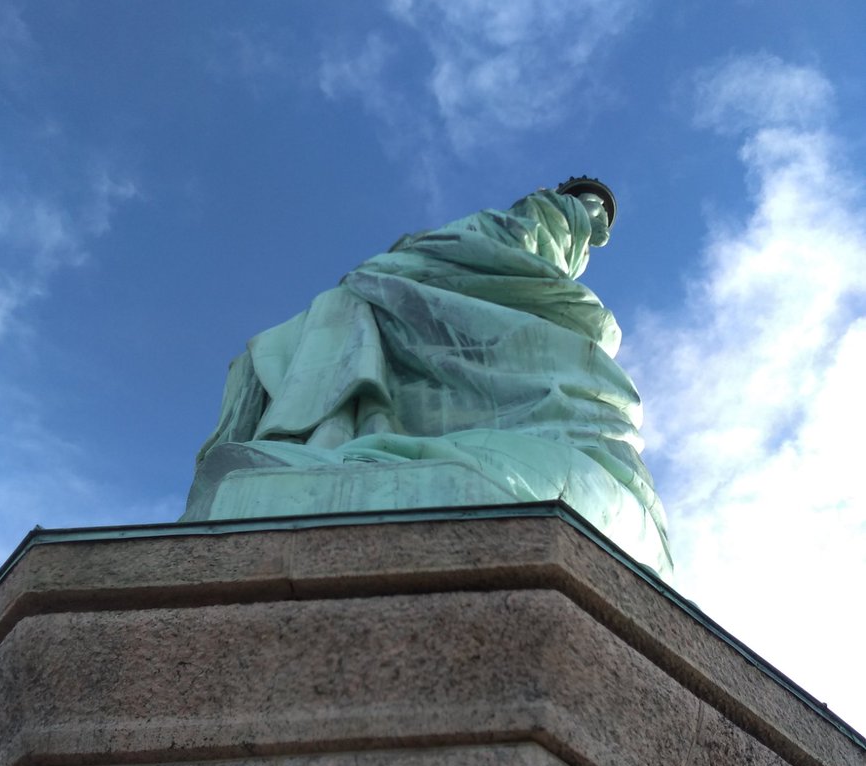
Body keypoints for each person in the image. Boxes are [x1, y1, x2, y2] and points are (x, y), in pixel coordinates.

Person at [182, 176, 672, 577]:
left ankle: (387, 455)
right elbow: (514, 235)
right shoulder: (515, 221)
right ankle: (353, 453)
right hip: (444, 271)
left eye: (600, 213)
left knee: (585, 410)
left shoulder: (540, 248)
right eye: (591, 208)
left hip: (493, 282)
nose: (596, 219)